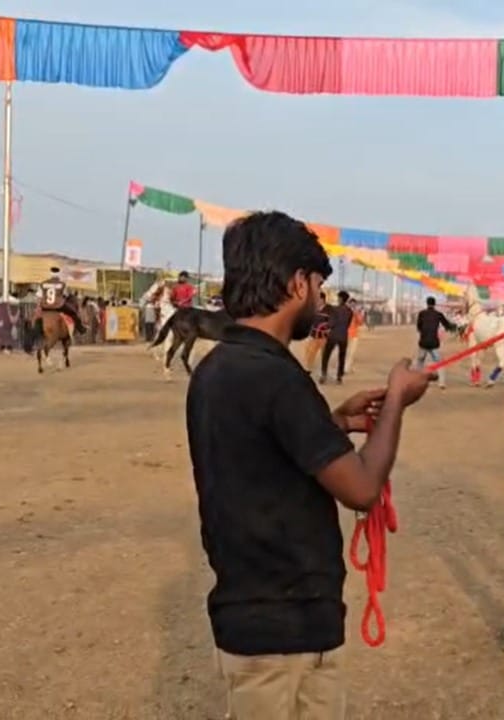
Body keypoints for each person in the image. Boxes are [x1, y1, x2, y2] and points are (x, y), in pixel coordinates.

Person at [186, 210, 431, 720]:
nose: (319, 301)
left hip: (250, 623)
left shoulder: (217, 368)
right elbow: (362, 488)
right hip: (287, 637)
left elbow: (260, 449)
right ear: (298, 283)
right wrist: (396, 403)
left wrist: (333, 422)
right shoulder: (278, 379)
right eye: (318, 287)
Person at [415, 296, 456, 389]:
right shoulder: (438, 314)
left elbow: (418, 327)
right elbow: (447, 325)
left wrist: (423, 332)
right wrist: (455, 328)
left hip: (423, 342)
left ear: (427, 303)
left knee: (420, 361)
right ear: (434, 304)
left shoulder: (421, 314)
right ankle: (442, 383)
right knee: (439, 362)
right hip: (434, 342)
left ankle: (417, 380)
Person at [37, 267, 86, 334]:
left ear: (50, 274)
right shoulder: (62, 284)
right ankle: (80, 328)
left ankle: (36, 332)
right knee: (73, 313)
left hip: (45, 306)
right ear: (58, 274)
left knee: (37, 319)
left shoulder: (43, 283)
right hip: (58, 306)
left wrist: (39, 306)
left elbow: (39, 296)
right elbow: (66, 295)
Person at [320, 291, 354, 384]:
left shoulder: (334, 310)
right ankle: (339, 377)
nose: (337, 299)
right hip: (343, 336)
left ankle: (323, 375)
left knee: (326, 355)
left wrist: (327, 327)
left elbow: (331, 323)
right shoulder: (350, 311)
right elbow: (348, 324)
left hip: (333, 335)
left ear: (341, 299)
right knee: (342, 357)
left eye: (338, 297)